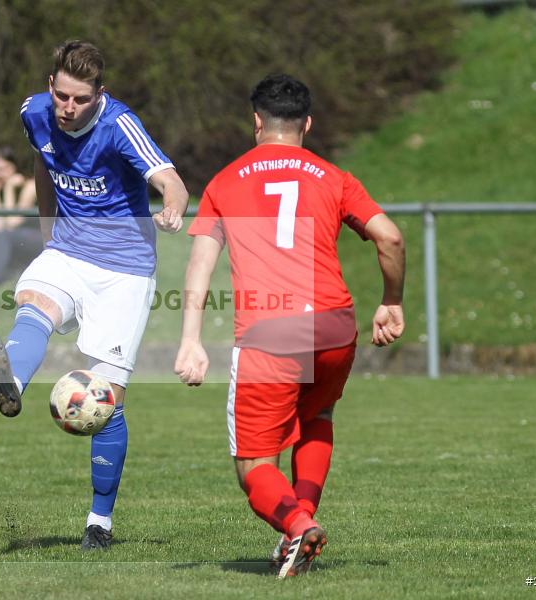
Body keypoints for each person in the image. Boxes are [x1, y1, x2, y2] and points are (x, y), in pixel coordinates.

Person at [173, 74, 405, 577]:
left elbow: (198, 267)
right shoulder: (334, 177)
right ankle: (298, 530)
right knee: (317, 419)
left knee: (253, 466)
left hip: (269, 336)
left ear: (256, 122)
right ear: (307, 124)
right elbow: (390, 238)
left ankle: (298, 527)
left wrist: (191, 341)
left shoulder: (224, 181)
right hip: (334, 331)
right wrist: (391, 301)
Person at [0, 40, 189, 550]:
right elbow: (42, 166)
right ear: (51, 85)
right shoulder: (35, 113)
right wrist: (47, 231)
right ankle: (13, 385)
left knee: (107, 401)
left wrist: (174, 208)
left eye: (80, 99)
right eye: (62, 96)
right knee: (32, 299)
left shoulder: (120, 125)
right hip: (69, 252)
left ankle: (100, 523)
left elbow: (170, 179)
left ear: (100, 94)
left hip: (125, 272)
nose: (68, 108)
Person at [0, 146, 42, 295]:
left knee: (2, 235)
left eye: (4, 168)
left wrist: (8, 188)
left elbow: (12, 222)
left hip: (37, 238)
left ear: (15, 166)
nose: (0, 174)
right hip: (11, 236)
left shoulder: (30, 185)